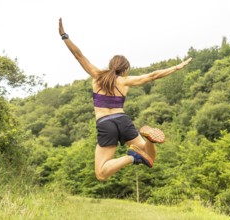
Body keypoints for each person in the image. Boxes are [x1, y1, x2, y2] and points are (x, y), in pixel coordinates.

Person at [59, 18, 192, 181]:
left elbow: (78, 55)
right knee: (149, 157)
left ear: (110, 65)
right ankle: (149, 140)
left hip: (106, 124)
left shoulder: (97, 75)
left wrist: (64, 36)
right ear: (125, 69)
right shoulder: (125, 81)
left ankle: (131, 157)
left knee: (101, 174)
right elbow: (153, 75)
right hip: (123, 120)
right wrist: (177, 67)